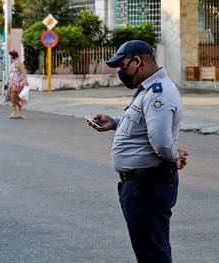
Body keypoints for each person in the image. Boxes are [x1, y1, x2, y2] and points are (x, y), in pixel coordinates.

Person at [87, 40, 189, 263]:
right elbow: (142, 124)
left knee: (152, 254)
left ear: (137, 61)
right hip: (141, 184)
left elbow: (161, 141)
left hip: (147, 185)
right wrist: (114, 122)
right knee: (150, 250)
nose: (122, 73)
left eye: (123, 67)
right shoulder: (148, 90)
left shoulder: (158, 93)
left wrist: (174, 158)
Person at [6, 50, 28, 119]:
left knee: (17, 98)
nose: (9, 57)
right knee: (14, 98)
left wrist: (25, 81)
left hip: (18, 84)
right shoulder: (12, 64)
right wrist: (7, 82)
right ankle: (17, 113)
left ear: (12, 56)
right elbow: (10, 75)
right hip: (13, 84)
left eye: (10, 55)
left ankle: (16, 113)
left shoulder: (18, 63)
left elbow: (24, 72)